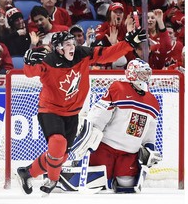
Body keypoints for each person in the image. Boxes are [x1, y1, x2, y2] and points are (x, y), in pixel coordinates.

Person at [17, 27, 147, 195]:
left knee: (60, 156)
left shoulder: (82, 54)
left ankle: (27, 173)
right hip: (50, 110)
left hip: (72, 113)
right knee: (57, 142)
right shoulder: (48, 59)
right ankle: (53, 179)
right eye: (67, 44)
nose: (72, 47)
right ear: (58, 48)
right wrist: (28, 61)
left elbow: (107, 54)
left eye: (73, 43)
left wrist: (128, 44)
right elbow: (29, 73)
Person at [59, 58, 163, 193]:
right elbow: (100, 113)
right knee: (95, 182)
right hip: (107, 147)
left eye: (147, 73)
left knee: (126, 185)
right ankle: (60, 176)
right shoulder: (118, 88)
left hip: (130, 153)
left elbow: (150, 131)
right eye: (143, 73)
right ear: (132, 73)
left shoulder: (153, 102)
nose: (146, 77)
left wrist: (149, 148)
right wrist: (90, 130)